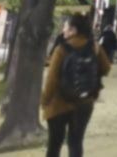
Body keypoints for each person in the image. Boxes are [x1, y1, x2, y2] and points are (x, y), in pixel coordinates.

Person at [42, 13, 111, 157]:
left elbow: (52, 79)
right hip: (84, 103)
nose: (63, 30)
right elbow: (106, 68)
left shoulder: (61, 49)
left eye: (66, 27)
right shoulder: (94, 47)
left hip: (59, 103)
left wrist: (45, 101)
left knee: (54, 145)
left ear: (73, 30)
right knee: (76, 142)